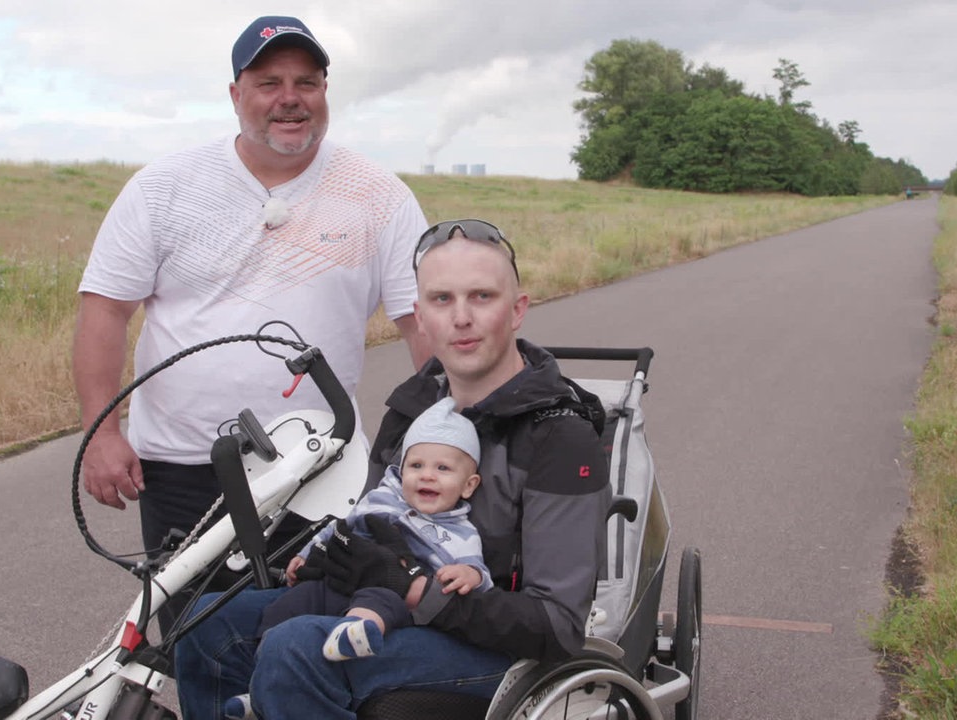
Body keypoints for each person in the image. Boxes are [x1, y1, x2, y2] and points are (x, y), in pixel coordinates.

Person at [71, 15, 430, 632]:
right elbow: (104, 310)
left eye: (307, 82)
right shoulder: (164, 188)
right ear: (236, 94)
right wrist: (100, 433)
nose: (290, 98)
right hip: (181, 469)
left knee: (298, 644)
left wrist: (446, 439)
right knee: (191, 642)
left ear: (324, 92)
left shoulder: (379, 196)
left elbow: (424, 325)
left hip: (316, 470)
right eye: (268, 82)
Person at [173, 219, 612, 720]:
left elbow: (556, 626)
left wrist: (415, 588)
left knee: (296, 648)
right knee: (207, 625)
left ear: (517, 311)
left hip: (502, 653)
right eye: (442, 300)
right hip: (387, 610)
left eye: (482, 297)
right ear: (420, 317)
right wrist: (329, 557)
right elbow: (373, 521)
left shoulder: (561, 438)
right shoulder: (414, 407)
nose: (461, 318)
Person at [223, 397, 492, 719]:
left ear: (468, 485)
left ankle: (358, 632)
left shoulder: (458, 530)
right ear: (400, 470)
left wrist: (469, 574)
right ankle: (261, 686)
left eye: (443, 469)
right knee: (291, 604)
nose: (427, 476)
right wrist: (306, 555)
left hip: (396, 591)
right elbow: (337, 529)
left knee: (381, 597)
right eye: (416, 466)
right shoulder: (380, 500)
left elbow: (476, 568)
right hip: (341, 580)